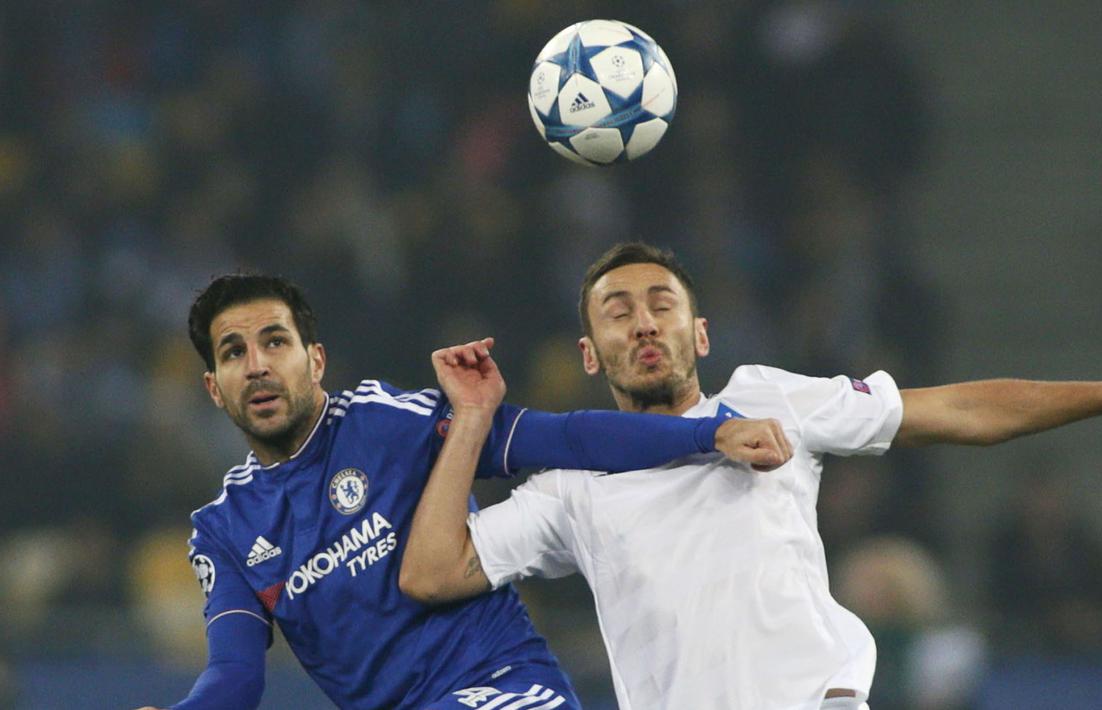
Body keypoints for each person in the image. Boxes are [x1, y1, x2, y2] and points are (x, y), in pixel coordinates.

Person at [401, 242, 1102, 710]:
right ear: (590, 353)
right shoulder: (570, 483)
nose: (643, 320)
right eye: (616, 312)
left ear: (700, 334)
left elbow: (956, 412)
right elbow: (433, 572)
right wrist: (472, 420)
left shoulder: (770, 397)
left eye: (660, 303)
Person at [138, 273, 790, 710]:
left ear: (315, 361)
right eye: (232, 352)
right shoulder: (223, 530)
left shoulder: (390, 423)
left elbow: (564, 439)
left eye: (274, 342)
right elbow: (235, 675)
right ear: (213, 388)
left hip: (504, 689)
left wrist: (708, 435)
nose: (255, 364)